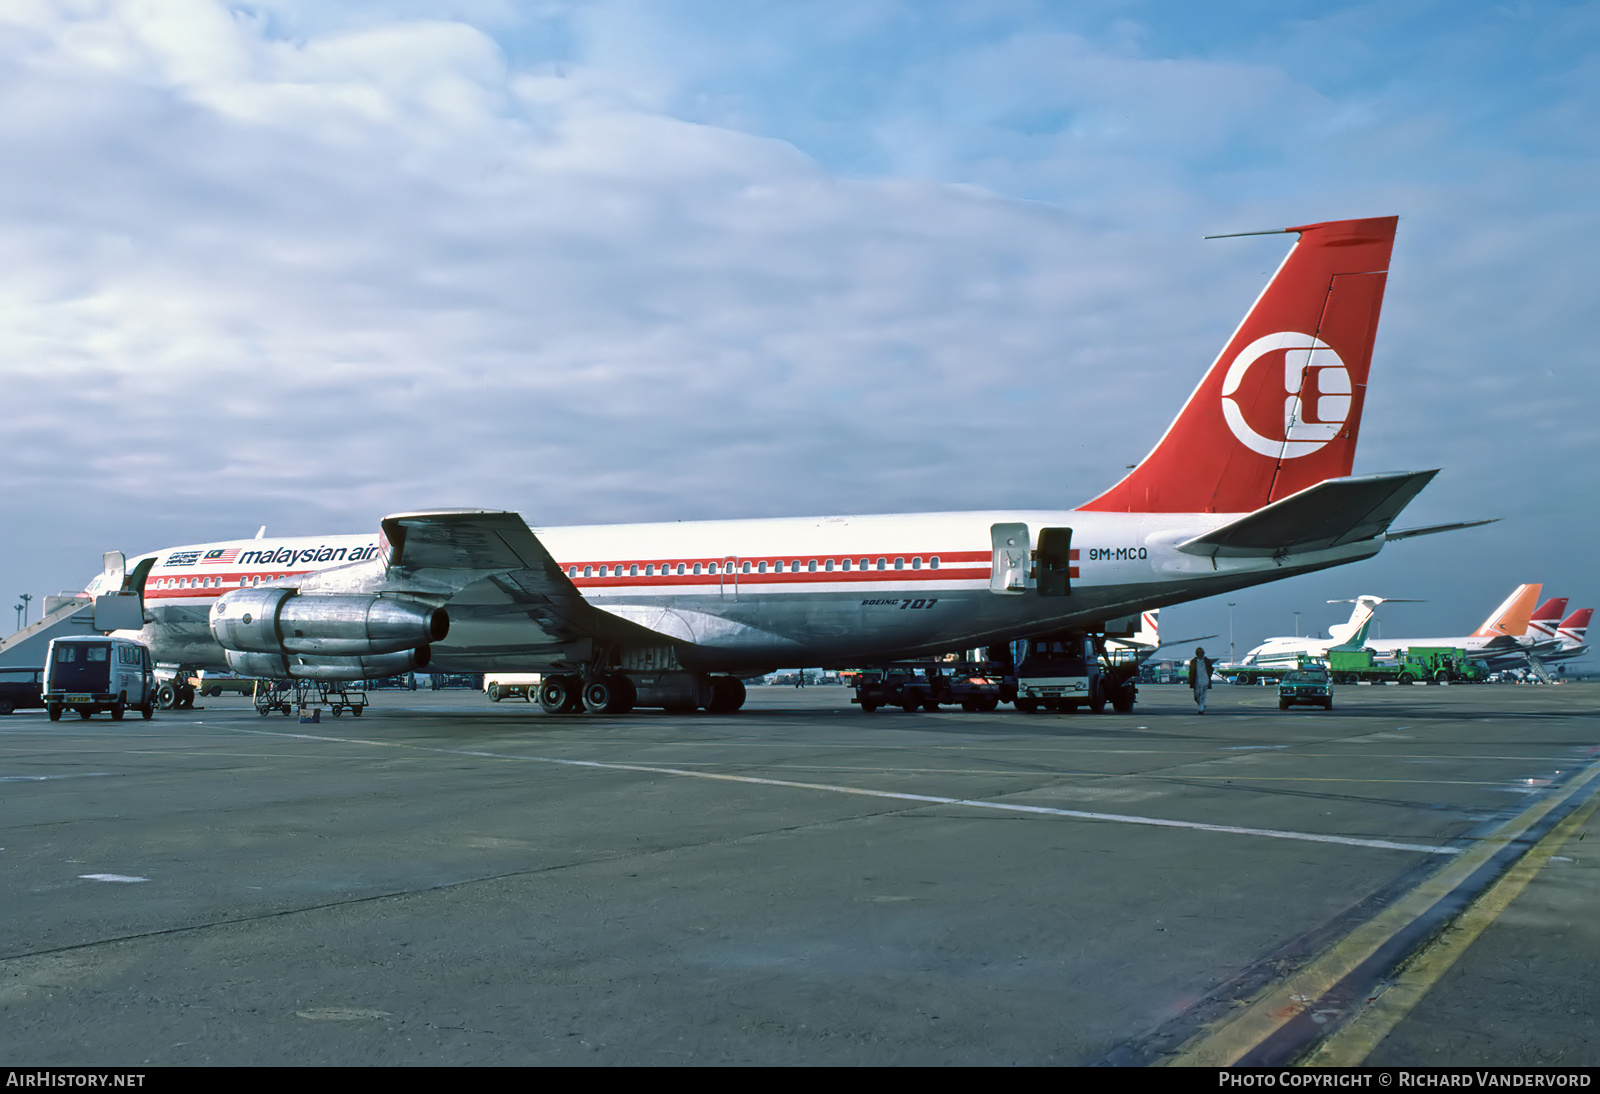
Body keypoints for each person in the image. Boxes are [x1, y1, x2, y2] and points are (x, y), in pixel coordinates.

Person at [1188, 647, 1214, 714]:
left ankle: (1201, 709)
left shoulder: (1207, 661)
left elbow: (1211, 669)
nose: (1200, 654)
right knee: (1196, 696)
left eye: (1201, 652)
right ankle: (1201, 705)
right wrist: (1190, 679)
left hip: (1205, 679)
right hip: (1196, 680)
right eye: (1199, 652)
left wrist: (1209, 676)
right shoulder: (1193, 661)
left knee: (1203, 695)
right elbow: (1191, 671)